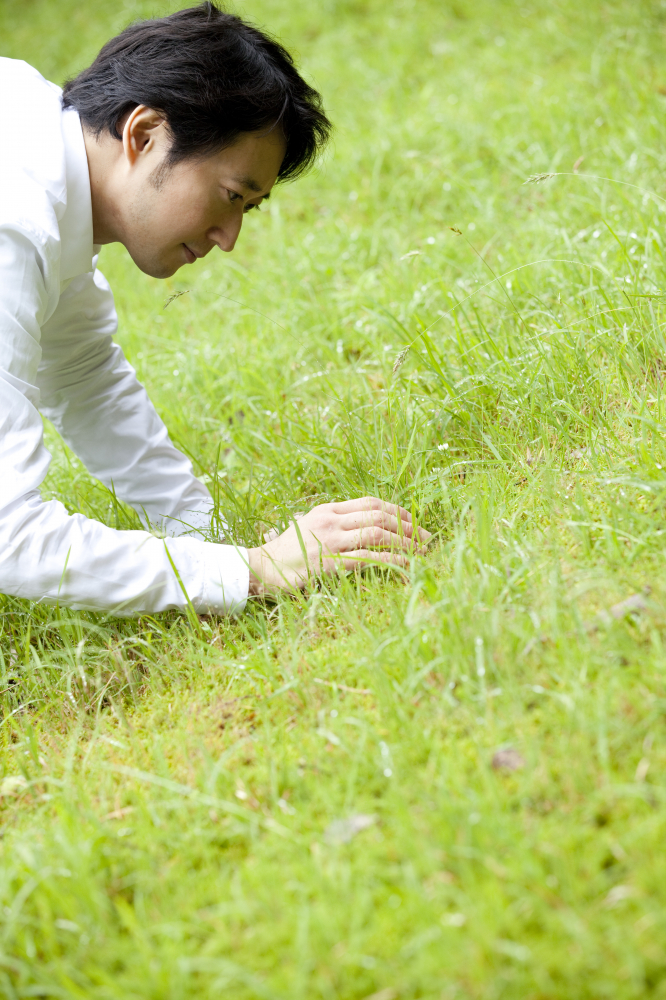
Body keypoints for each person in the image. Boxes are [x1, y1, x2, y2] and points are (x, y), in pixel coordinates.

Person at [0, 2, 429, 616]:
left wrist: (211, 537)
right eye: (231, 197)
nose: (228, 238)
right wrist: (250, 570)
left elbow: (82, 374)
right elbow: (8, 532)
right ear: (144, 135)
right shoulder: (13, 222)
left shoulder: (35, 146)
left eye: (247, 210)